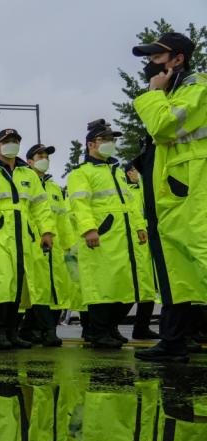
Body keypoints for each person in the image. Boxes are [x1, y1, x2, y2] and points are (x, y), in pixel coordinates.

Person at [131, 32, 207, 362]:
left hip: (194, 189)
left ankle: (178, 338)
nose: (151, 65)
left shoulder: (197, 87)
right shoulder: (174, 90)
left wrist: (152, 95)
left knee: (200, 260)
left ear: (178, 59)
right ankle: (174, 340)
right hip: (174, 192)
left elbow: (163, 126)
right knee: (177, 270)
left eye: (157, 58)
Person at [0, 129, 54, 350]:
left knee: (19, 285)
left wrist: (46, 231)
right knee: (2, 282)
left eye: (15, 141)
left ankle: (13, 332)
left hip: (23, 234)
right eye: (6, 141)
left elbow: (40, 206)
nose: (11, 144)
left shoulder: (28, 174)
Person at [67, 119, 150, 349]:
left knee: (124, 285)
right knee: (101, 285)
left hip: (123, 238)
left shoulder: (117, 171)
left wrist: (139, 226)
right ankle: (99, 331)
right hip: (100, 237)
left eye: (112, 140)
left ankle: (110, 328)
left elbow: (130, 202)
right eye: (105, 139)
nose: (111, 143)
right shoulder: (81, 173)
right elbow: (80, 204)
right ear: (91, 144)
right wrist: (89, 228)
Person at [21, 143, 71, 347]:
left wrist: (69, 245)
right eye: (39, 155)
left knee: (56, 288)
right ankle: (48, 330)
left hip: (56, 246)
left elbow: (63, 218)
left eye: (46, 156)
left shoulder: (54, 188)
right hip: (33, 242)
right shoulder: (22, 182)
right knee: (38, 288)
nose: (44, 159)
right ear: (29, 161)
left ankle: (29, 330)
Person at [123, 162, 159, 340]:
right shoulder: (127, 192)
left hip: (150, 241)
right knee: (140, 287)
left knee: (149, 288)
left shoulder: (144, 188)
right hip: (138, 243)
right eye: (136, 171)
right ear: (129, 173)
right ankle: (111, 325)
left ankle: (142, 327)